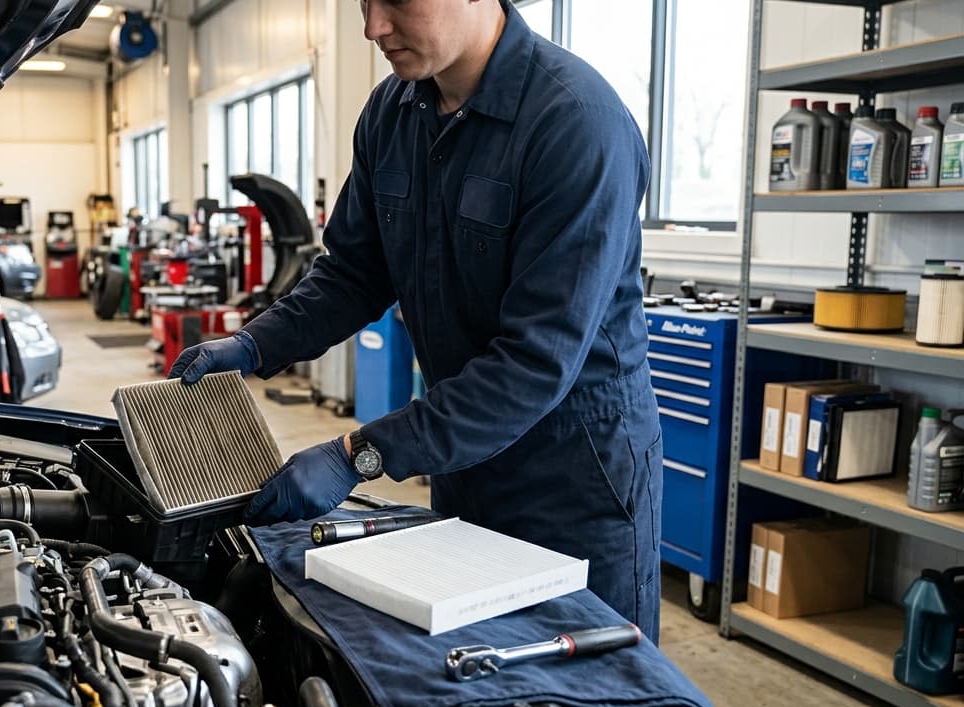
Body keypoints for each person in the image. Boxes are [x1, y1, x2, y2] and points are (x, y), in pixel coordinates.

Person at [170, 0, 662, 641]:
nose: (374, 27)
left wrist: (360, 453)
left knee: (592, 697)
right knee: (471, 672)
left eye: (398, 1)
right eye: (364, 3)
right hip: (462, 457)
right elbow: (353, 273)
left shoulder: (576, 123)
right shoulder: (391, 113)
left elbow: (535, 362)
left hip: (574, 477)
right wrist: (254, 343)